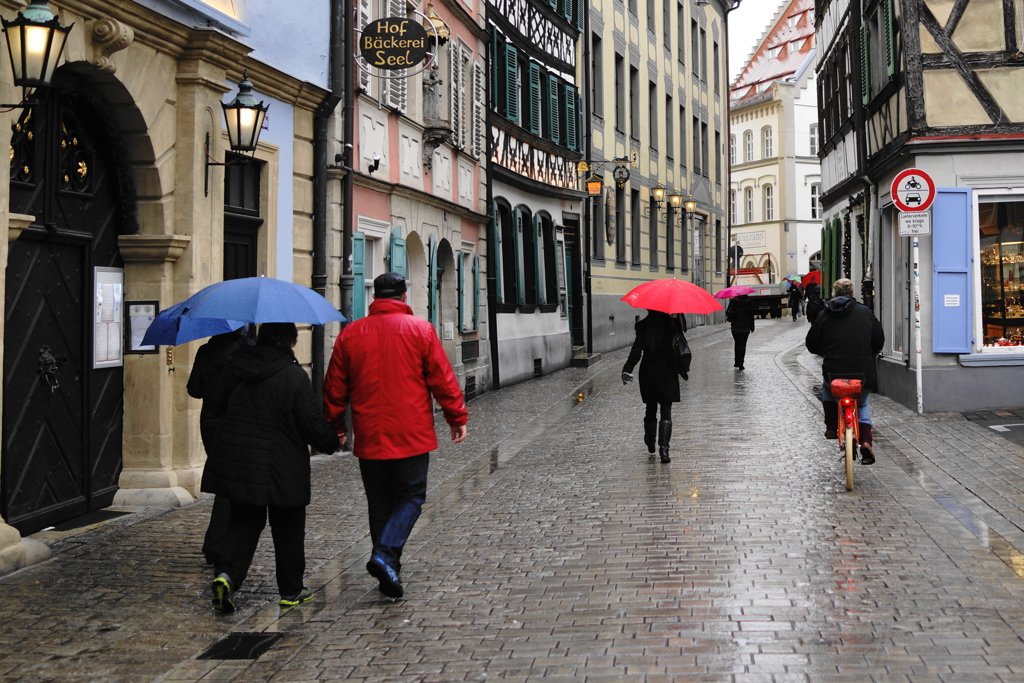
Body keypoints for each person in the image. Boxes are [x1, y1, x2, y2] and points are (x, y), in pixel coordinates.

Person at [323, 272, 468, 599]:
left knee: (379, 503)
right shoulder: (420, 330)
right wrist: (455, 416)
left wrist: (335, 427)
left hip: (370, 433)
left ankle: (388, 566)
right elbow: (442, 380)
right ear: (403, 296)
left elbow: (334, 389)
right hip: (411, 433)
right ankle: (386, 556)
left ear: (376, 296)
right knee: (412, 496)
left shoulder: (351, 333)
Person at [201, 323, 341, 612]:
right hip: (282, 464)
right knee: (288, 527)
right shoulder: (293, 375)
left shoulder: (236, 364)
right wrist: (332, 441)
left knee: (242, 522)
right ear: (290, 341)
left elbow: (214, 403)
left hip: (240, 461)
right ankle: (291, 590)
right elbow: (312, 424)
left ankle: (226, 576)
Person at [805, 278, 885, 465]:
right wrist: (870, 351)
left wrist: (823, 351)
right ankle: (865, 441)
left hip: (834, 370)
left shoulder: (825, 314)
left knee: (827, 389)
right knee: (862, 404)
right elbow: (879, 339)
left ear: (834, 293)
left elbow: (811, 343)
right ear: (852, 292)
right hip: (862, 372)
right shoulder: (865, 312)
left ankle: (832, 427)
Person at [186, 329, 248, 567]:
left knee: (226, 480)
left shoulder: (205, 351)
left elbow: (194, 389)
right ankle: (218, 543)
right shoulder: (246, 351)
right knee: (230, 485)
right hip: (235, 422)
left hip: (210, 422)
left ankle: (220, 543)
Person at [621, 310, 686, 463]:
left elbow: (636, 350)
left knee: (650, 408)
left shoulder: (643, 326)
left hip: (648, 373)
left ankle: (650, 441)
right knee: (666, 410)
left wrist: (627, 368)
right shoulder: (672, 325)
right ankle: (664, 450)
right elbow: (680, 345)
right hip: (667, 372)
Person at [725, 294, 755, 371]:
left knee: (737, 343)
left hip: (735, 327)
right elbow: (751, 316)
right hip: (745, 327)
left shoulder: (733, 302)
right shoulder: (749, 303)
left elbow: (728, 313)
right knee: (743, 345)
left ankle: (736, 361)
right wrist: (752, 327)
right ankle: (741, 364)